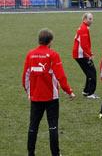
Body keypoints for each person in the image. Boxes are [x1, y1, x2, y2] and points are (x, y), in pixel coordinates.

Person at [22, 28, 75, 156]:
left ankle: (30, 153)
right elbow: (61, 76)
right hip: (51, 98)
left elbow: (25, 76)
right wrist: (69, 91)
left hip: (35, 97)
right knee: (53, 126)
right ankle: (55, 153)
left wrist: (29, 92)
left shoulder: (30, 54)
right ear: (50, 41)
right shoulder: (53, 55)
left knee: (33, 126)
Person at [72, 13, 99, 99]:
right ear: (84, 19)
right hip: (81, 55)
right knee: (92, 72)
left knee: (89, 72)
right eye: (90, 19)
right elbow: (84, 45)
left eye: (92, 19)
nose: (91, 20)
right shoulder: (83, 29)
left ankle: (86, 91)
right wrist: (90, 54)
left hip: (80, 54)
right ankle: (90, 93)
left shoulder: (83, 27)